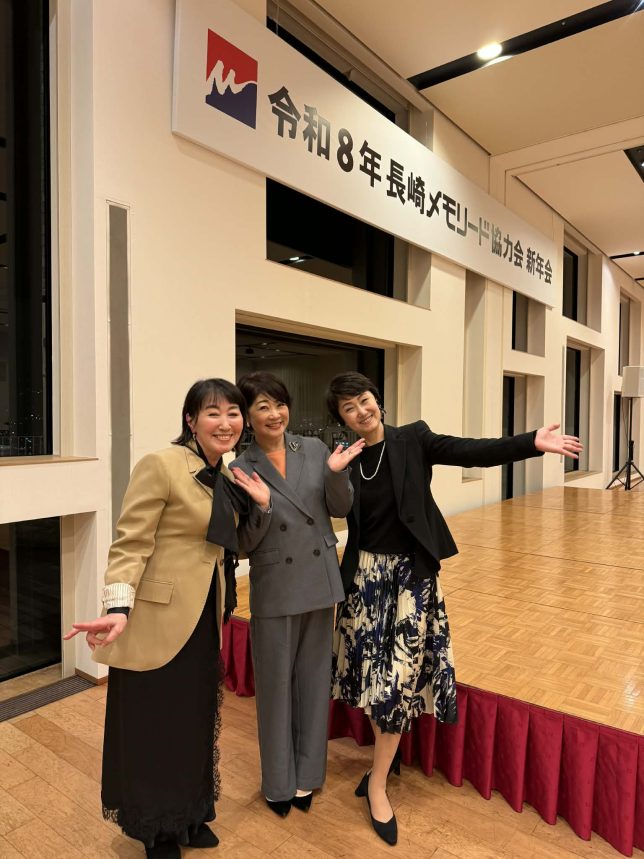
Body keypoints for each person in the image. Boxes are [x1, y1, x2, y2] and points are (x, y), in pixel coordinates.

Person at [326, 371, 583, 846]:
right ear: (342, 419)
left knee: (396, 681)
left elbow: (472, 451)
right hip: (365, 581)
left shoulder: (413, 438)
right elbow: (335, 510)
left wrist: (531, 442)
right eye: (348, 408)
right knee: (371, 679)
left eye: (364, 400)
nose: (361, 411)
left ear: (376, 399)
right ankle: (386, 760)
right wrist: (332, 473)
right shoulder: (347, 458)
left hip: (410, 580)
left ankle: (377, 784)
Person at [64, 379, 271, 859]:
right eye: (213, 413)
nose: (226, 422)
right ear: (191, 420)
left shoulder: (228, 474)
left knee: (193, 720)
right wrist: (118, 607)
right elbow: (130, 542)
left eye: (234, 413)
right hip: (157, 618)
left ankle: (190, 814)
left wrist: (262, 505)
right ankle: (156, 828)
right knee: (155, 724)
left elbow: (233, 544)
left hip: (205, 617)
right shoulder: (162, 464)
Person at [229, 371, 364, 817]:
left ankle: (308, 776)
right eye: (263, 406)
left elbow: (340, 508)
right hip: (275, 587)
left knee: (312, 683)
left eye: (280, 403)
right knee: (274, 688)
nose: (275, 414)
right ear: (248, 416)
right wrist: (264, 507)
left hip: (319, 582)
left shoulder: (315, 450)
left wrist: (338, 476)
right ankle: (277, 782)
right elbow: (242, 544)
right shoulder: (240, 467)